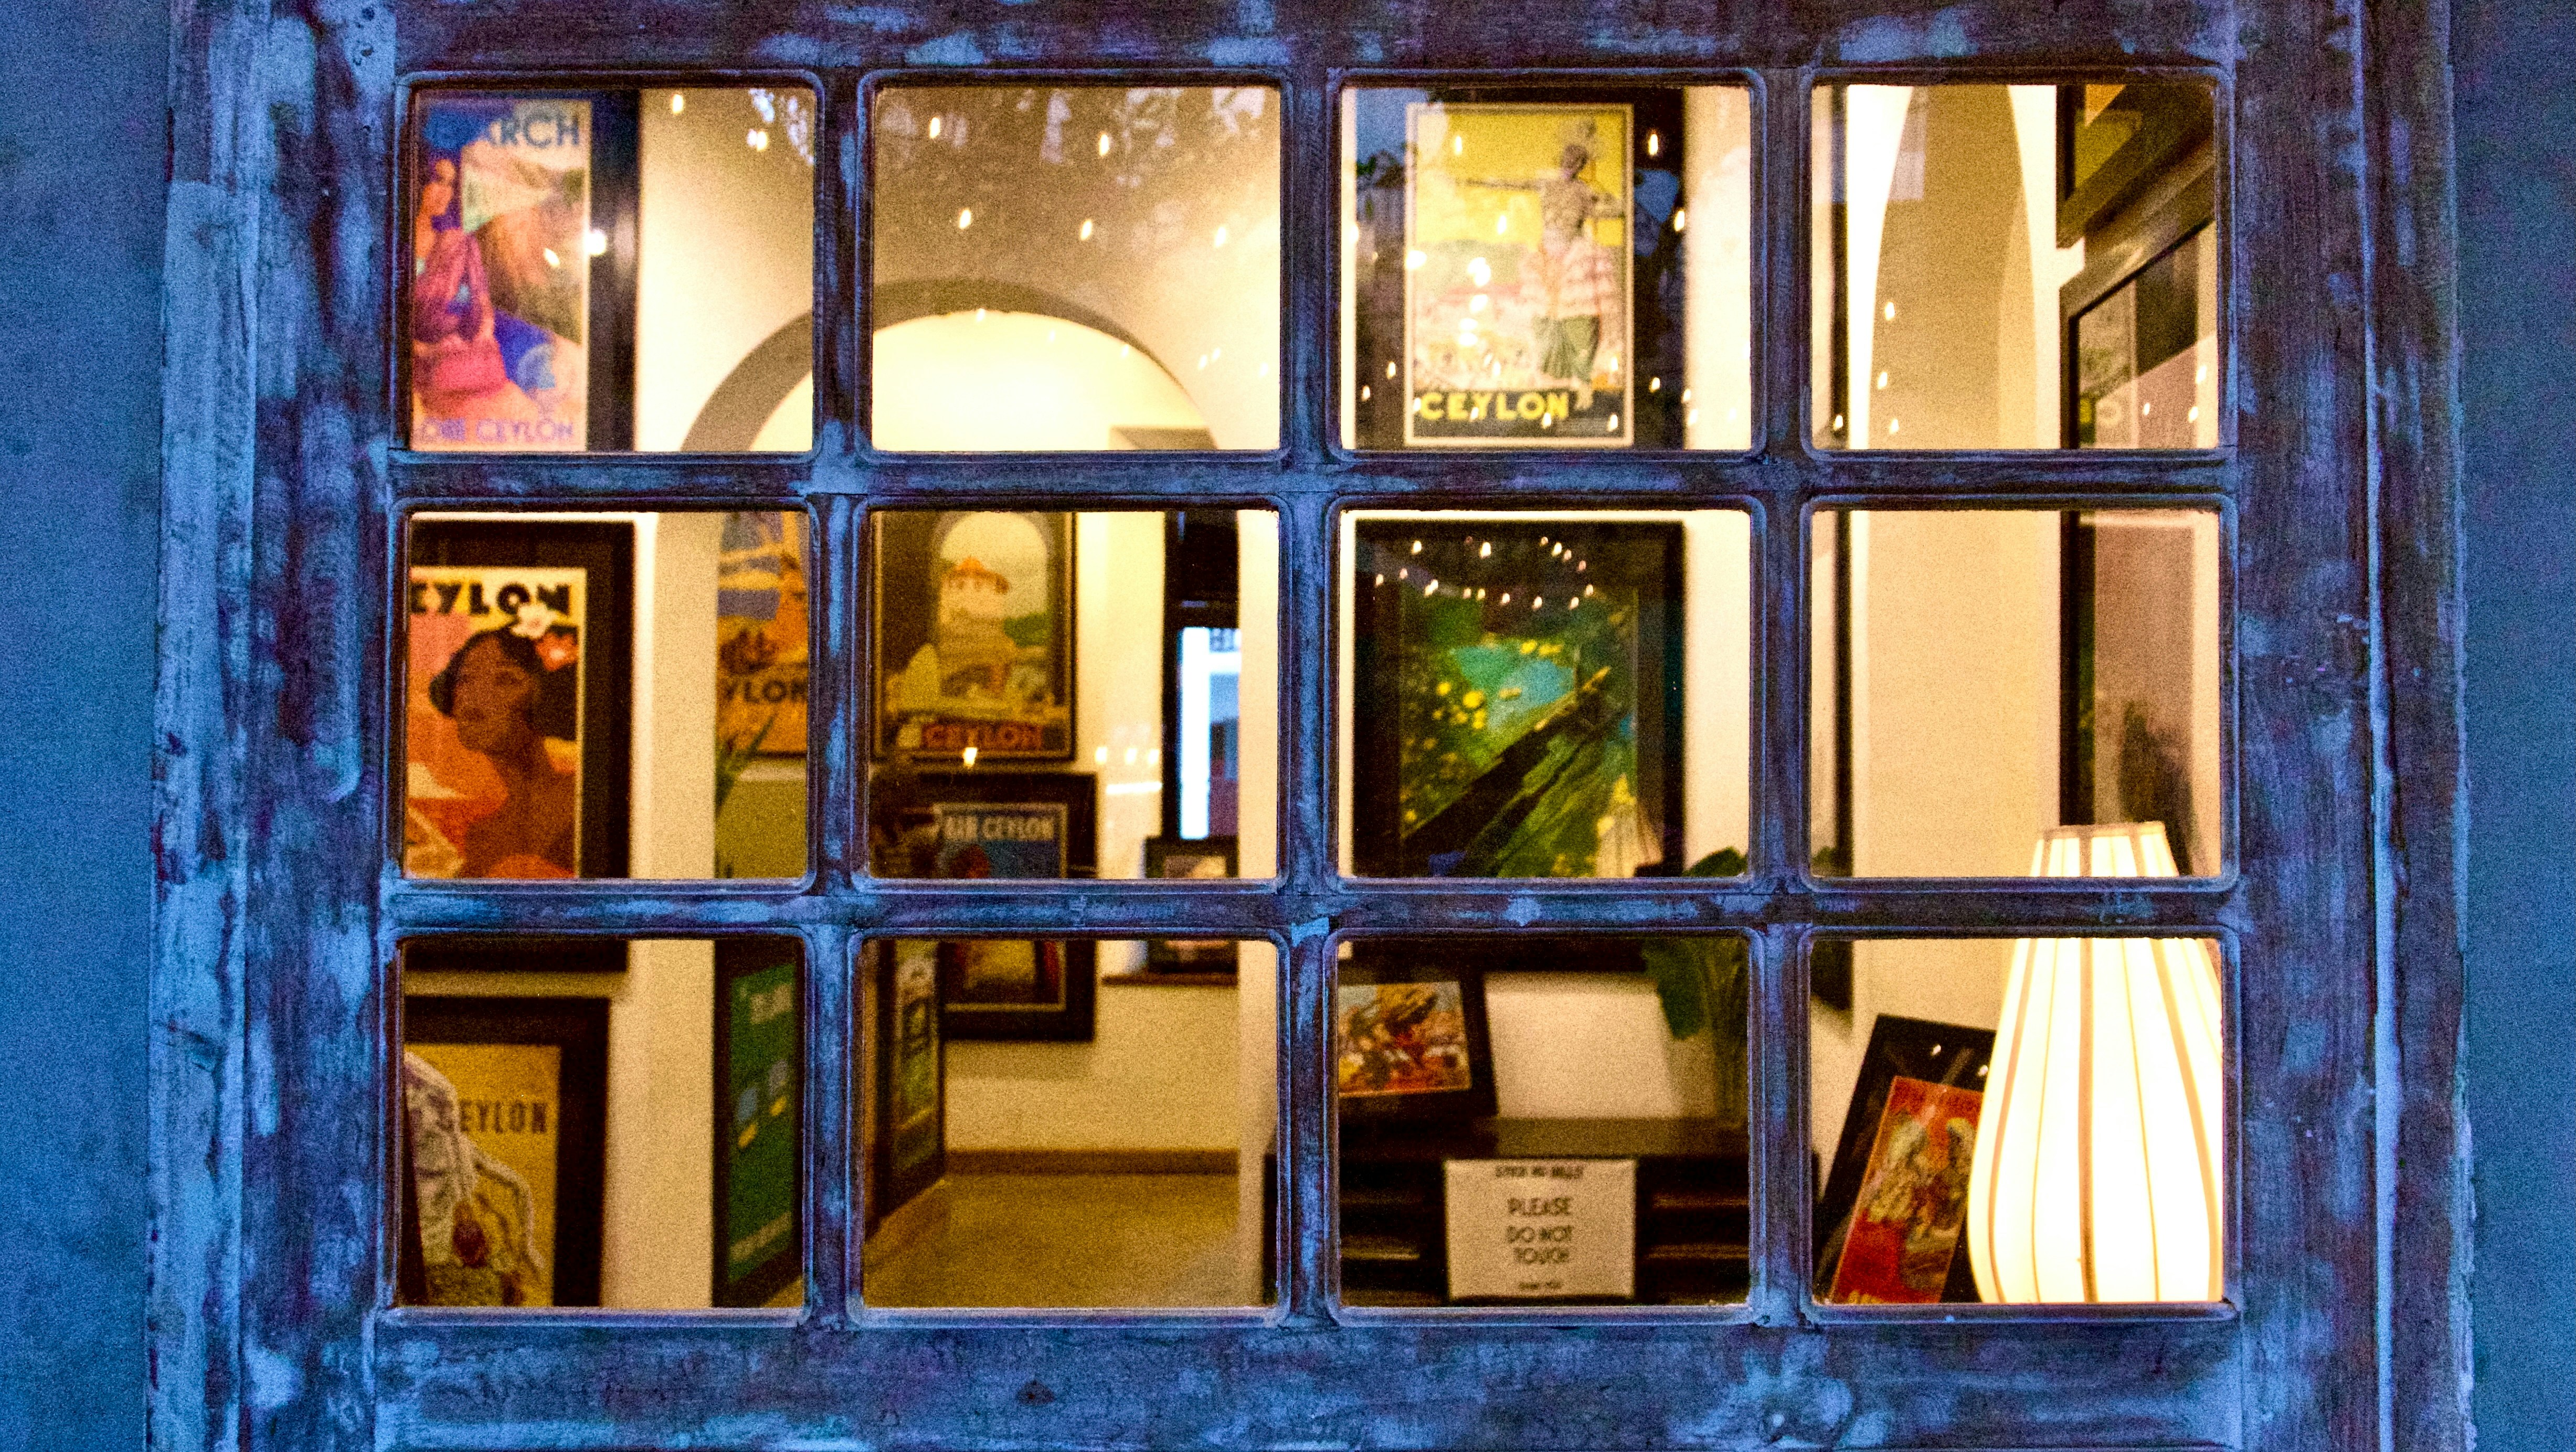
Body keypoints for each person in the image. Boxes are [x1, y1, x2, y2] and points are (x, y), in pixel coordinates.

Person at [426, 624, 580, 877]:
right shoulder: (486, 832)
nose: (476, 696)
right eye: (466, 679)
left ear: (547, 696)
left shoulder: (579, 803)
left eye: (506, 679)